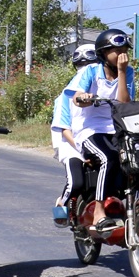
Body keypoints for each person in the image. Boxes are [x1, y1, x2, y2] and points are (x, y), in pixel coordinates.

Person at [63, 28, 135, 233]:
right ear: (103, 54)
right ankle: (99, 212)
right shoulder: (91, 71)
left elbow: (123, 102)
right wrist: (83, 98)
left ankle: (130, 206)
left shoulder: (128, 72)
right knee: (109, 157)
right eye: (116, 51)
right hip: (89, 130)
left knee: (137, 159)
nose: (122, 55)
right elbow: (77, 96)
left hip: (117, 127)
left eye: (124, 50)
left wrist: (122, 71)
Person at [50, 43, 98, 226]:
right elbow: (64, 128)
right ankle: (62, 204)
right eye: (82, 66)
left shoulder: (104, 92)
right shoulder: (65, 96)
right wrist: (81, 150)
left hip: (96, 140)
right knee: (76, 183)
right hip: (72, 145)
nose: (86, 71)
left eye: (91, 65)